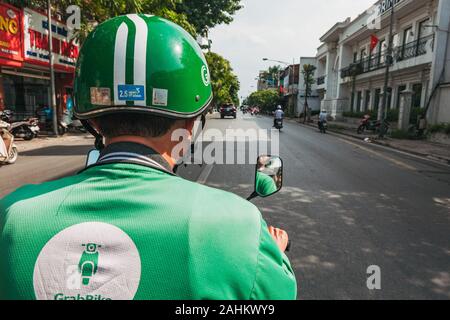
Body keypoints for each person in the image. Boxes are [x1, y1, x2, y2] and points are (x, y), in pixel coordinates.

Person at [0, 15, 297, 300]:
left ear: (95, 120)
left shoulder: (11, 215)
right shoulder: (239, 227)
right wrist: (271, 255)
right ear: (190, 125)